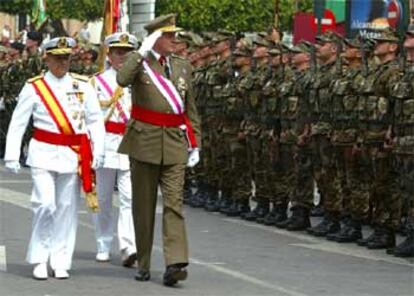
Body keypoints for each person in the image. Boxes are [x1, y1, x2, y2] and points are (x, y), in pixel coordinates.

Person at [4, 36, 105, 280]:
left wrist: (99, 150)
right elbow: (19, 122)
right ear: (46, 58)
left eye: (66, 58)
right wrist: (11, 155)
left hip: (72, 155)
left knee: (66, 208)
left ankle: (60, 260)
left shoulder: (83, 85)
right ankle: (39, 257)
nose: (62, 62)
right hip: (43, 152)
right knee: (45, 205)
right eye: (57, 58)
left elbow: (94, 120)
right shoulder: (34, 86)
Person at [116, 14, 201, 286]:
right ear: (155, 38)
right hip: (144, 142)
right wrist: (139, 52)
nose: (175, 40)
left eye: (175, 35)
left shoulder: (182, 66)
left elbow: (191, 109)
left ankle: (175, 262)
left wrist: (195, 142)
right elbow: (121, 79)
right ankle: (143, 261)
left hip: (175, 143)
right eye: (169, 35)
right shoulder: (140, 64)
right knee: (143, 206)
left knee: (174, 204)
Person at [90, 32, 138, 266]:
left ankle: (128, 245)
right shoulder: (96, 82)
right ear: (108, 55)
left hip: (131, 143)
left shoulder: (139, 80)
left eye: (128, 53)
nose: (123, 57)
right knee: (104, 197)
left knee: (130, 198)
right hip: (106, 143)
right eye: (118, 52)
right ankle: (103, 242)